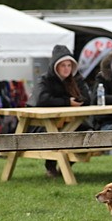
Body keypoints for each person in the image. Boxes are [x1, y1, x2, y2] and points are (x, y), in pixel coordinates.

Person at [31, 44, 92, 178]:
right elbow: (42, 100)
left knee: (87, 133)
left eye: (69, 65)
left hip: (71, 122)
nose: (66, 69)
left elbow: (87, 98)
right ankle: (51, 166)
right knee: (57, 133)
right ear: (56, 66)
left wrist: (79, 100)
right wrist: (67, 102)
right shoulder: (45, 79)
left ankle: (66, 166)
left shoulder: (76, 79)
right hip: (43, 123)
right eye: (63, 65)